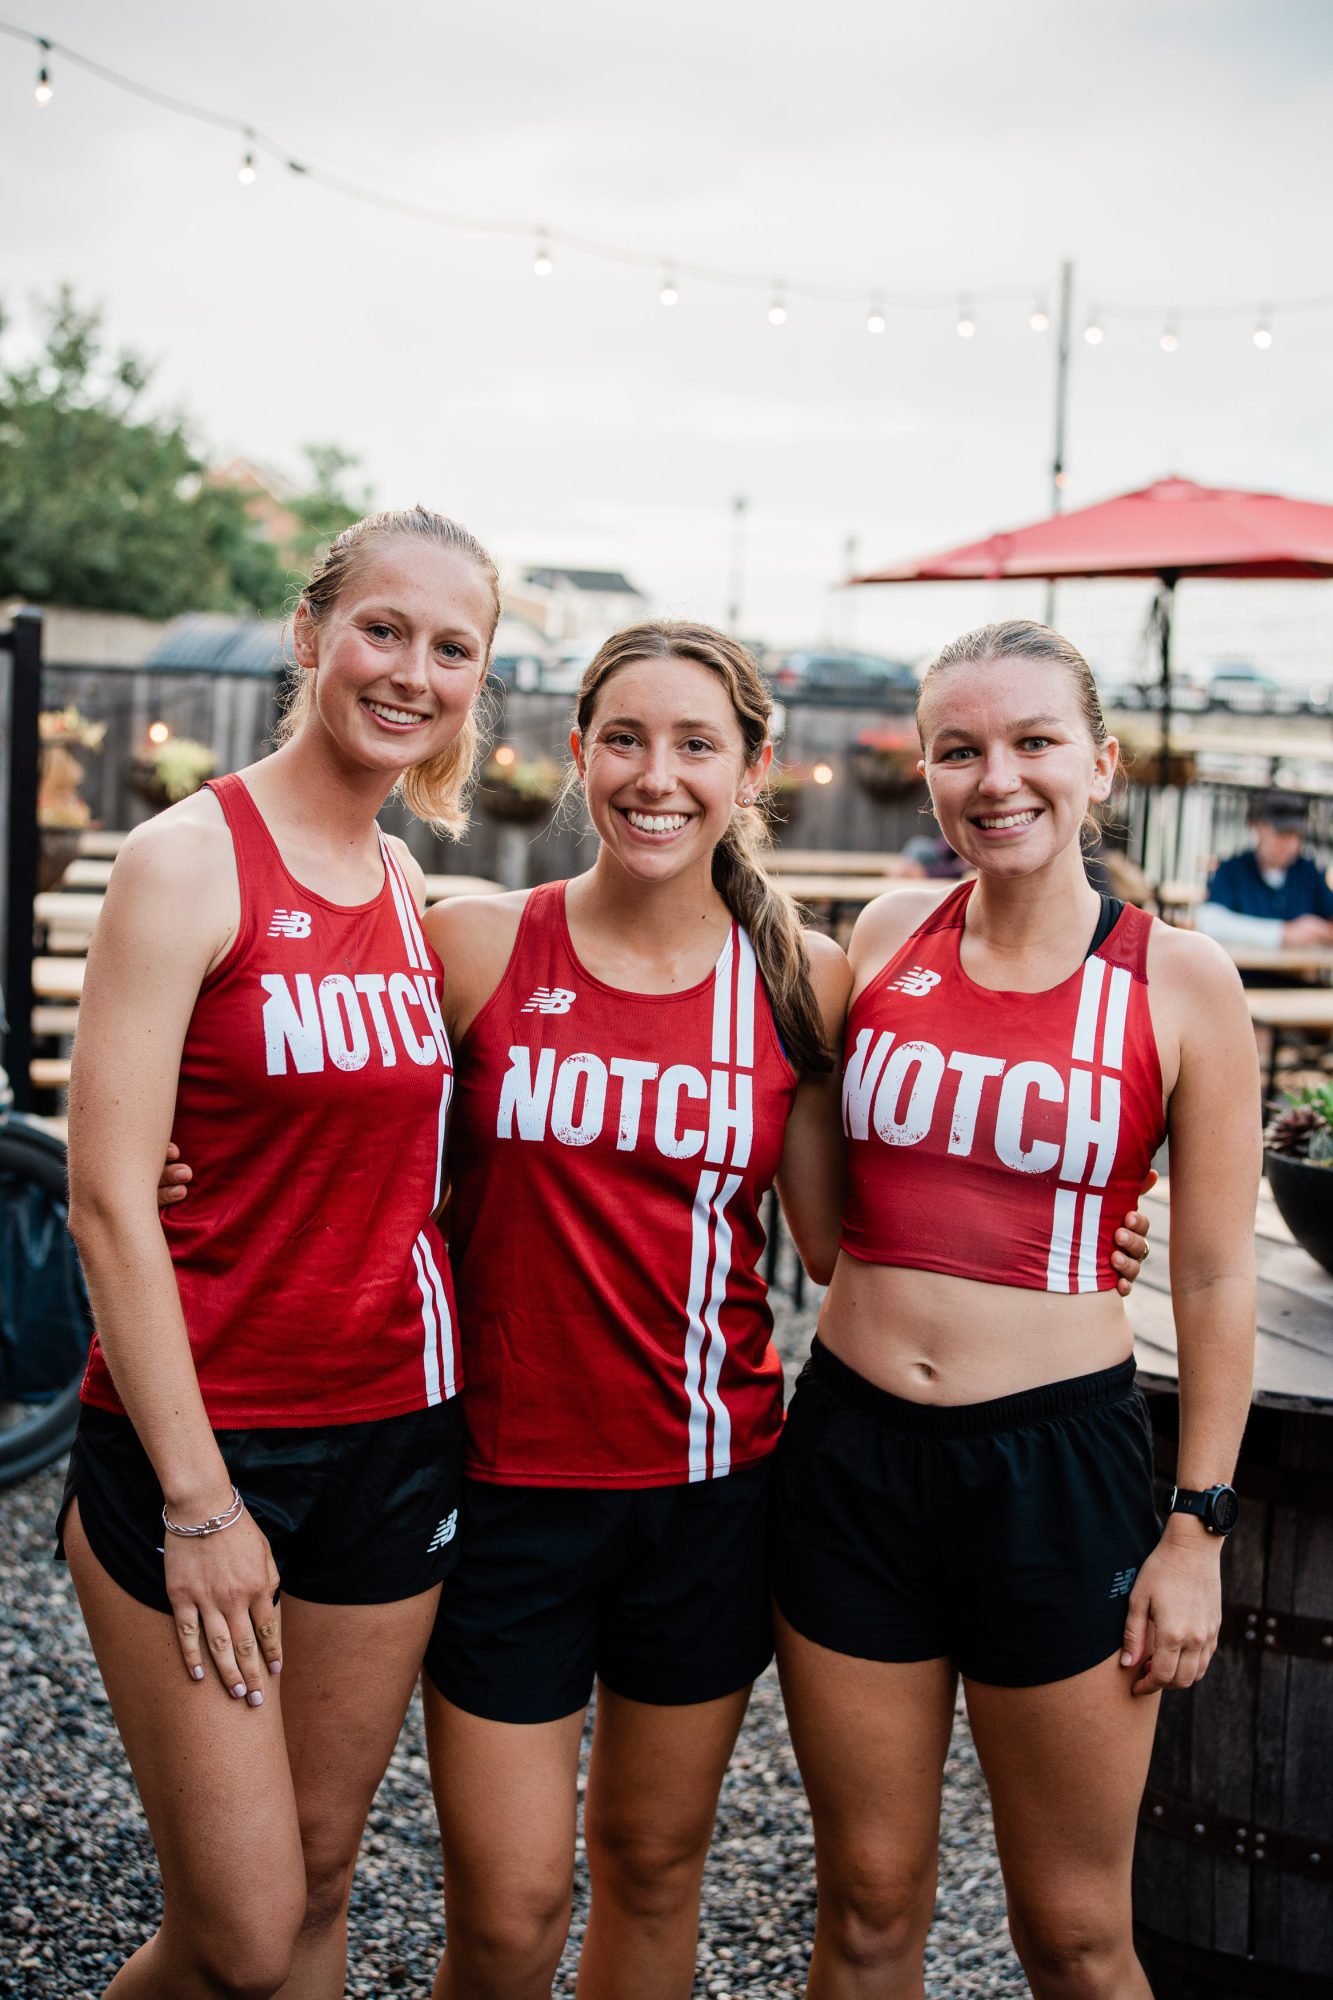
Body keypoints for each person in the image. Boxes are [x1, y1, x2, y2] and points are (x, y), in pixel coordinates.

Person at [152, 617, 1153, 1999]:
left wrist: (1095, 1206)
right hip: (499, 1486)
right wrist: (165, 1141)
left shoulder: (800, 981)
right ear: (575, 756)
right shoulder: (475, 949)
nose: (657, 774)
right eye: (624, 738)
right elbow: (304, 1067)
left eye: (697, 744)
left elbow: (853, 1224)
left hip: (709, 1494)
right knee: (506, 1912)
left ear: (754, 771)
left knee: (651, 1867)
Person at [771, 619, 1258, 2000]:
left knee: (1075, 1935)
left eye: (1034, 742)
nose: (999, 778)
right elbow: (810, 1207)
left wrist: (1197, 1528)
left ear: (1099, 764)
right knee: (865, 1907)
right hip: (852, 1459)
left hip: (1057, 1472)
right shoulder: (880, 936)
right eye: (959, 749)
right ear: (924, 771)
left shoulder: (1179, 981)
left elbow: (1212, 1275)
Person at [59, 506, 499, 2000]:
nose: (412, 671)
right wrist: (199, 1505)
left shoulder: (408, 890)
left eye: (453, 647)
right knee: (243, 1931)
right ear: (311, 636)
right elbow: (110, 1199)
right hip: (200, 1449)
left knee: (319, 1879)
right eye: (385, 629)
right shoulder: (189, 859)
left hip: (394, 1437)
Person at [1195, 790, 1333, 970]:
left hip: (1299, 982)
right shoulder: (1232, 870)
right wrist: (1284, 933)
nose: (1289, 843)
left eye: (1296, 835)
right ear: (1257, 827)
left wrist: (1321, 931)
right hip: (1244, 979)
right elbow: (1210, 921)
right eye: (1281, 833)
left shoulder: (1308, 873)